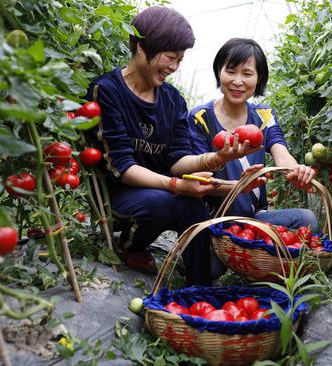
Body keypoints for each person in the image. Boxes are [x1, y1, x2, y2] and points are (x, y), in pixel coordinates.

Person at [84, 8, 259, 285]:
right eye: (169, 57)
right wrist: (176, 186)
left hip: (160, 189)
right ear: (140, 47)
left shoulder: (173, 100)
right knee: (163, 201)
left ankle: (199, 289)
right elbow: (122, 166)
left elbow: (178, 159)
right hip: (119, 194)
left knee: (194, 208)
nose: (174, 67)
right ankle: (129, 245)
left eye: (179, 59)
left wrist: (217, 158)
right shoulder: (106, 91)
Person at [188, 38, 318, 233]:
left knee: (306, 219)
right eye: (230, 71)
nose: (237, 81)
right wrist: (240, 186)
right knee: (210, 263)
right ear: (219, 72)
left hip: (254, 218)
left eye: (247, 73)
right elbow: (198, 178)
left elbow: (280, 151)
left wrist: (297, 171)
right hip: (212, 219)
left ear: (259, 79)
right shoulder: (201, 118)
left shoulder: (263, 115)